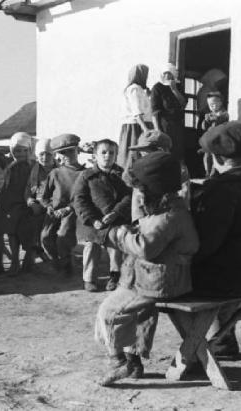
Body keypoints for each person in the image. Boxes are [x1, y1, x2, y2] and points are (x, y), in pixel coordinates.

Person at [94, 152, 199, 386]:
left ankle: (118, 360)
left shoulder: (169, 215)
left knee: (110, 310)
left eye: (141, 190)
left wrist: (117, 234)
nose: (138, 196)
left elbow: (146, 247)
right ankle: (133, 361)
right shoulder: (166, 208)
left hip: (160, 280)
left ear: (154, 188)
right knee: (141, 314)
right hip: (155, 277)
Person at [191, 122, 241, 355]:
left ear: (217, 158)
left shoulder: (220, 190)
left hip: (230, 280)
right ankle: (223, 339)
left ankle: (197, 350)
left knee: (166, 281)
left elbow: (206, 243)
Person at [73, 139, 131, 292]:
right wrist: (92, 220)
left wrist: (115, 212)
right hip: (93, 221)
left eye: (111, 153)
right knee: (92, 244)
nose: (107, 156)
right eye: (103, 152)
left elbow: (128, 197)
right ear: (95, 156)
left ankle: (115, 275)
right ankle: (89, 278)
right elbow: (79, 200)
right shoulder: (86, 176)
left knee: (117, 240)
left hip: (115, 218)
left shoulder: (122, 175)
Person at [0, 132, 35, 276]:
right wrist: (11, 146)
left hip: (19, 204)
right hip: (3, 203)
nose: (20, 154)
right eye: (17, 151)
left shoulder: (32, 165)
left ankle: (15, 263)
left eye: (24, 150)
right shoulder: (8, 163)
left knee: (12, 233)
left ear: (30, 150)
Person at [40, 134, 85, 276]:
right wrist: (48, 207)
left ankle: (66, 265)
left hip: (73, 211)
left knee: (63, 235)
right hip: (54, 210)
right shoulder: (55, 173)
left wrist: (68, 208)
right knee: (45, 237)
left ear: (78, 151)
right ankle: (55, 261)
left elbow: (84, 197)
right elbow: (44, 195)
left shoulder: (85, 173)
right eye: (62, 152)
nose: (67, 155)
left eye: (70, 151)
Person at [26, 138, 56, 262]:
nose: (44, 157)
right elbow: (28, 190)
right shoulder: (34, 170)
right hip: (37, 203)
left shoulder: (58, 170)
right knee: (29, 219)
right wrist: (30, 202)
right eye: (41, 154)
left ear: (53, 155)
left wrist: (51, 205)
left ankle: (47, 251)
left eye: (48, 154)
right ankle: (35, 250)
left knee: (46, 225)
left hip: (54, 204)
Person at [118, 64, 153, 169]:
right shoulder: (134, 89)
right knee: (133, 155)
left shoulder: (139, 90)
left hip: (140, 124)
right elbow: (136, 111)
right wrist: (145, 129)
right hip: (136, 126)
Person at [150, 63, 187, 159]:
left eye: (169, 73)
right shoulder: (157, 88)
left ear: (173, 74)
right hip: (164, 125)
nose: (167, 76)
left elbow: (183, 104)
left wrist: (174, 90)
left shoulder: (178, 86)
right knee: (166, 150)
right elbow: (154, 112)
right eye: (165, 73)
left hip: (177, 124)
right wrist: (158, 130)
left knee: (177, 150)